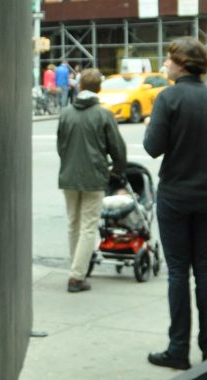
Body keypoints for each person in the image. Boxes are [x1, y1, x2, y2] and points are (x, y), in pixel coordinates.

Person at [144, 37, 207, 371]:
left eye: (168, 59)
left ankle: (178, 349)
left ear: (182, 63)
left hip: (176, 196)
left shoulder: (168, 99)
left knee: (178, 271)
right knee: (205, 267)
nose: (165, 65)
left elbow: (153, 147)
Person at [57, 68, 127, 293]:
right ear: (98, 89)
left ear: (79, 86)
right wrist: (116, 170)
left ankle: (77, 265)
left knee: (72, 224)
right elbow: (117, 148)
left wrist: (68, 163)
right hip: (94, 176)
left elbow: (61, 145)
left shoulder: (66, 112)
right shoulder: (103, 114)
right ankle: (77, 275)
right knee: (88, 226)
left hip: (68, 176)